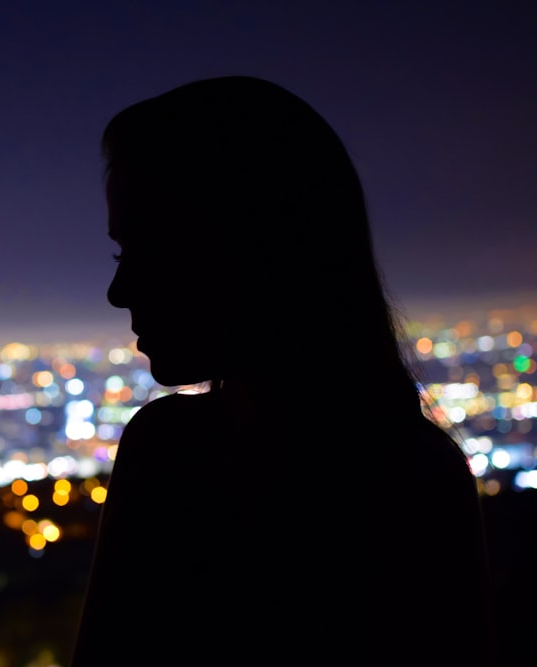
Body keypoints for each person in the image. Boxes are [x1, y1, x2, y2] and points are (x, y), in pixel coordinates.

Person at [69, 76, 496, 665]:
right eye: (122, 253)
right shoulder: (419, 477)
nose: (120, 290)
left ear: (244, 249)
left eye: (151, 250)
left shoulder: (169, 453)